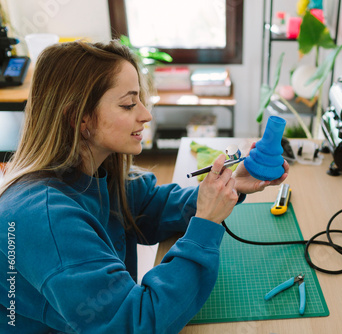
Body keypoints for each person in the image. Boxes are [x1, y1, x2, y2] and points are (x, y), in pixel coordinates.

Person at [0, 40, 288, 333]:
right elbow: (137, 323)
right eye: (128, 104)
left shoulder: (94, 170)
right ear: (78, 118)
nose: (145, 115)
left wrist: (232, 184)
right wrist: (206, 223)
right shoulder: (45, 220)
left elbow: (150, 207)